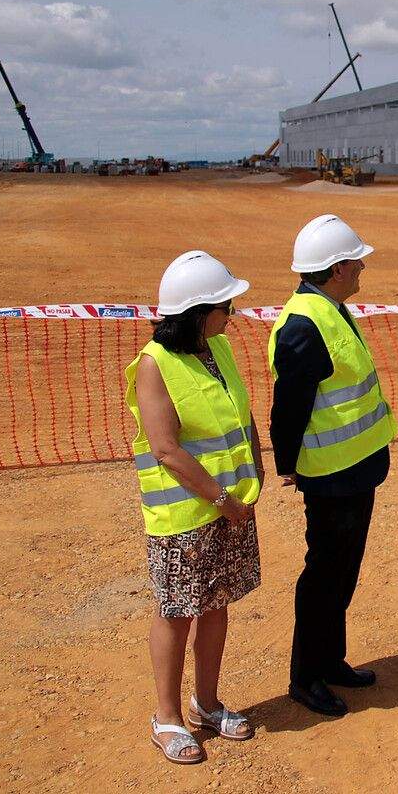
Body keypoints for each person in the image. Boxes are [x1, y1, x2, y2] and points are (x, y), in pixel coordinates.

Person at [124, 250, 261, 765]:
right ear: (199, 313)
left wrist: (254, 471)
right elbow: (166, 449)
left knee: (216, 603)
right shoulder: (154, 365)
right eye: (226, 306)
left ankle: (206, 704)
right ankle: (167, 718)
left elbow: (240, 413)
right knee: (177, 614)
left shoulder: (217, 346)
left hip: (231, 508)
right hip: (186, 515)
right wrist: (222, 500)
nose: (233, 314)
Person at [268, 214, 397, 718]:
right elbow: (288, 407)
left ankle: (330, 659)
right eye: (356, 261)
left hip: (356, 468)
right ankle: (305, 677)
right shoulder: (304, 325)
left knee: (343, 570)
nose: (363, 267)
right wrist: (287, 463)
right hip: (330, 475)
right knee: (324, 575)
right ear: (338, 268)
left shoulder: (330, 308)